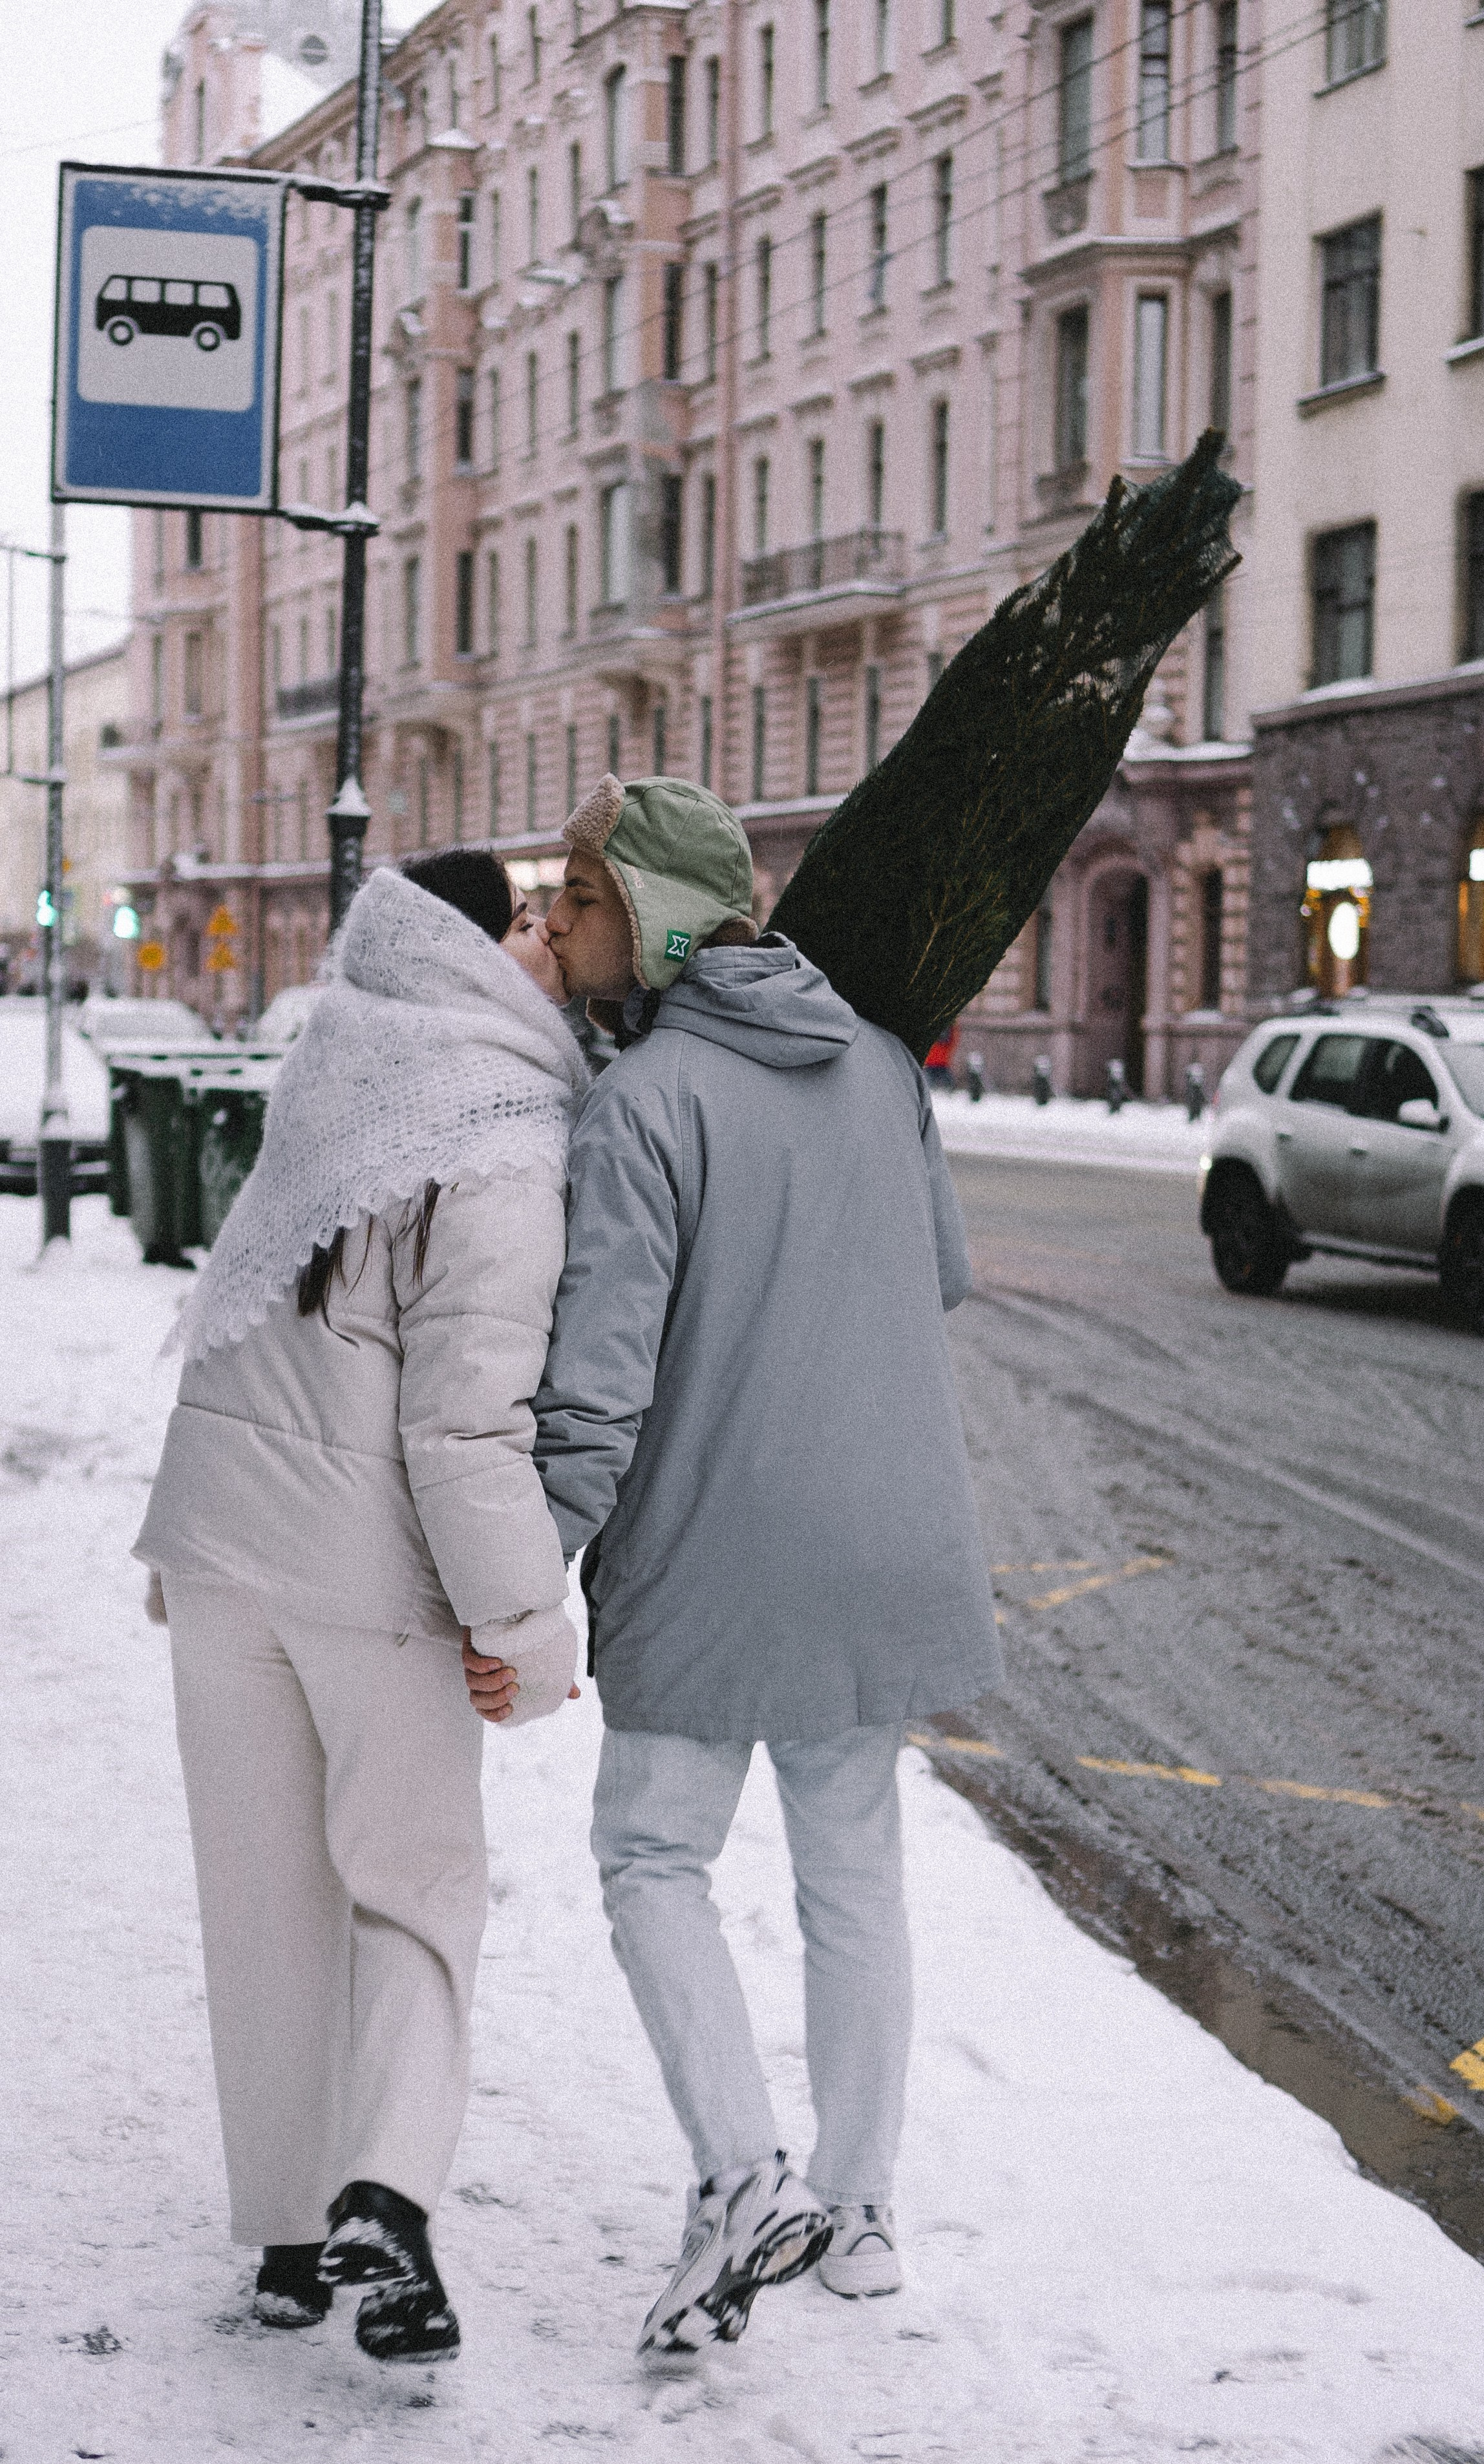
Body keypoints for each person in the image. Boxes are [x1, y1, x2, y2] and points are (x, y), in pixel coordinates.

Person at [463, 776, 1003, 2367]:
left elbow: (598, 1387)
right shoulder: (882, 1070)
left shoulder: (645, 1106)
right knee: (854, 1875)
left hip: (715, 1545)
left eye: (582, 894)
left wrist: (526, 1574)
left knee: (649, 1857)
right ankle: (862, 2211)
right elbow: (941, 1277)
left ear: (663, 919)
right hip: (891, 1536)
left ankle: (741, 2170)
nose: (560, 919)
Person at [135, 849, 586, 2363]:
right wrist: (525, 1625)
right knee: (413, 1893)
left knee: (259, 1903)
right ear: (460, 954)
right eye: (523, 922)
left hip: (218, 1557)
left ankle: (282, 2239)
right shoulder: (504, 1132)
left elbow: (237, 1313)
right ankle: (384, 2204)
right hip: (365, 1577)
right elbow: (466, 1425)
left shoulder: (328, 1071)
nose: (546, 943)